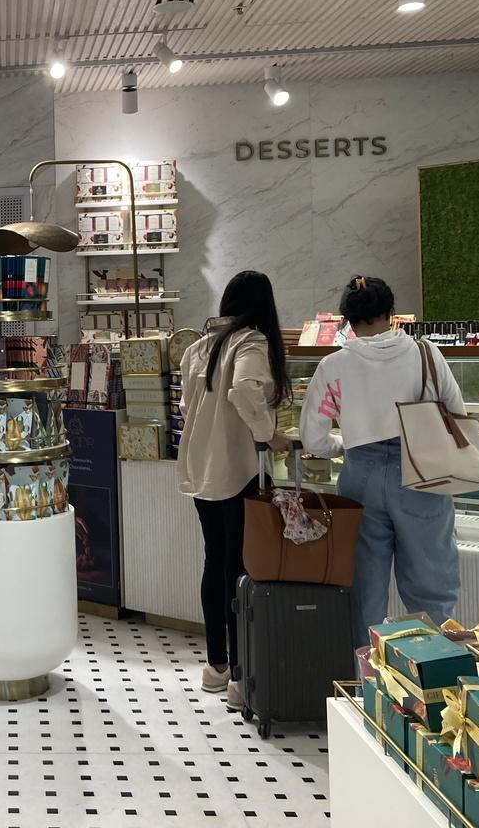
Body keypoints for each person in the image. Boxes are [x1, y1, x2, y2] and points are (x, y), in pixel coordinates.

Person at [299, 276, 464, 647]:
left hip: (361, 476)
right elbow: (456, 412)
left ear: (347, 321)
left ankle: (366, 675)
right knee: (431, 585)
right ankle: (433, 670)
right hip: (422, 472)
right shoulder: (425, 353)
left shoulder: (334, 365)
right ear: (391, 313)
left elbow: (313, 437)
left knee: (364, 589)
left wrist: (344, 446)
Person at [178, 270, 293, 710]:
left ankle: (216, 666)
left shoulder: (198, 346)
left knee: (215, 560)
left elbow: (187, 405)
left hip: (202, 468)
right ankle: (241, 678)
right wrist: (268, 433)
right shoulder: (251, 342)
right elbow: (243, 389)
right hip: (238, 467)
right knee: (240, 567)